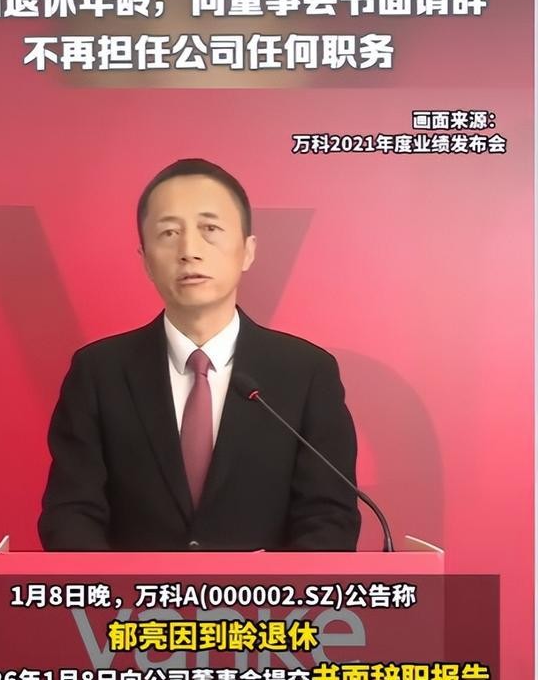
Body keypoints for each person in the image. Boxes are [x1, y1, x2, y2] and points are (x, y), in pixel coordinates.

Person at [38, 159, 360, 551]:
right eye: (169, 233)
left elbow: (329, 518)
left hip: (271, 595)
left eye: (210, 229)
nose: (189, 251)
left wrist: (274, 589)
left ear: (247, 251)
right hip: (130, 595)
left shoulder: (307, 373)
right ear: (145, 260)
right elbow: (71, 514)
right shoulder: (98, 373)